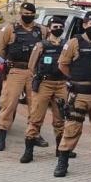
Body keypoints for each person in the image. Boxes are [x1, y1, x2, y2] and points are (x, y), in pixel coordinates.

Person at [53, 12, 91, 177]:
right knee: (72, 128)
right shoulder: (74, 42)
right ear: (84, 25)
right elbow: (63, 65)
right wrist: (75, 79)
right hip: (79, 94)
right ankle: (62, 161)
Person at [0, 2, 46, 151]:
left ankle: (34, 135)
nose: (28, 16)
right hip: (16, 70)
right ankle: (1, 138)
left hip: (34, 72)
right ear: (20, 12)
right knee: (8, 104)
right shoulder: (10, 29)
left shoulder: (41, 30)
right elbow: (1, 50)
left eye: (31, 14)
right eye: (25, 13)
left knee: (35, 105)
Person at [20, 15, 68, 163]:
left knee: (60, 119)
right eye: (55, 27)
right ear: (49, 28)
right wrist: (40, 77)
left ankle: (61, 150)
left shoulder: (66, 45)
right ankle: (28, 151)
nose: (58, 29)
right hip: (44, 85)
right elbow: (31, 65)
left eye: (60, 27)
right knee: (36, 118)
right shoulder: (41, 45)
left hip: (61, 84)